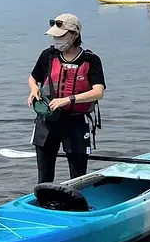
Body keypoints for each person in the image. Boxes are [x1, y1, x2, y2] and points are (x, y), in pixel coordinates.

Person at [27, 13, 106, 185]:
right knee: (44, 177)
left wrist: (68, 99)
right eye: (54, 36)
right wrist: (34, 90)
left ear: (74, 35)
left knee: (78, 177)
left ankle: (77, 206)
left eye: (61, 36)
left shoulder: (91, 61)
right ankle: (44, 204)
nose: (56, 39)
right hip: (47, 121)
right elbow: (33, 78)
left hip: (75, 123)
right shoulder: (48, 55)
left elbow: (98, 92)